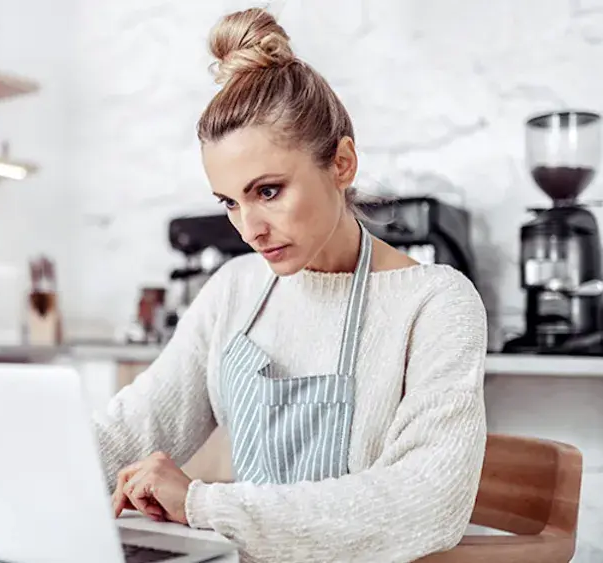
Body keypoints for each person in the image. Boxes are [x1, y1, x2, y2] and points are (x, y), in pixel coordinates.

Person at [92, 7, 488, 563]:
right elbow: (136, 425)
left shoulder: (436, 303)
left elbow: (427, 502)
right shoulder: (234, 289)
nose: (249, 229)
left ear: (342, 163)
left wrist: (205, 506)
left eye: (269, 191)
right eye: (230, 202)